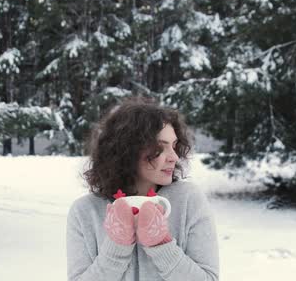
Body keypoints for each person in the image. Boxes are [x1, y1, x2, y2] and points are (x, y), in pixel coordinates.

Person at [66, 97, 219, 281]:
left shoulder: (188, 200)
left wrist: (161, 245)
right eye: (160, 148)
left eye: (174, 146)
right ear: (127, 150)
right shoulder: (85, 212)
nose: (174, 157)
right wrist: (116, 248)